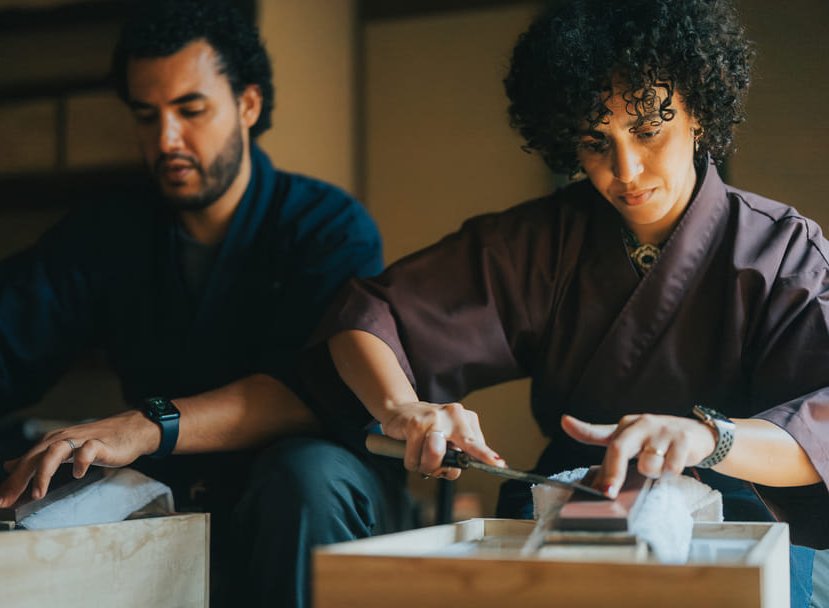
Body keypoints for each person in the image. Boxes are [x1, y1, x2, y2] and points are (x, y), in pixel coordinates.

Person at [0, 1, 410, 606]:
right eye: (146, 116)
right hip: (175, 476)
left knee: (304, 474)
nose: (166, 139)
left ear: (248, 105)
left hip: (309, 482)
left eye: (190, 110)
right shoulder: (112, 231)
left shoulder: (327, 225)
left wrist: (145, 424)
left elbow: (308, 390)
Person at [304, 0, 829, 605]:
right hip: (566, 497)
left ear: (699, 116)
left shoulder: (782, 248)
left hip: (741, 514)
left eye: (648, 131)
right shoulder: (540, 242)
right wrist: (401, 407)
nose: (625, 171)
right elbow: (369, 316)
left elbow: (819, 425)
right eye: (595, 142)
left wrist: (710, 439)